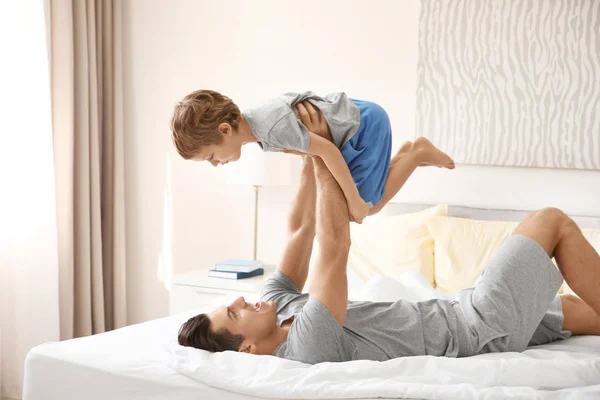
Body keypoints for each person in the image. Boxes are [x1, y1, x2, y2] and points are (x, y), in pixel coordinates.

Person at [177, 104, 600, 365]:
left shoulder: (276, 305)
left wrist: (308, 154)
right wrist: (324, 151)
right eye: (234, 314)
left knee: (584, 314)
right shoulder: (306, 346)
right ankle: (410, 157)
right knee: (551, 221)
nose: (238, 300)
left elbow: (303, 229)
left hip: (458, 308)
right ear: (247, 350)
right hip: (477, 330)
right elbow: (334, 245)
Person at [170, 89, 454, 223]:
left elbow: (327, 150)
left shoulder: (270, 126)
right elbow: (312, 146)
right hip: (355, 123)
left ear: (224, 130)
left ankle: (416, 154)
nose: (216, 164)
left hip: (362, 127)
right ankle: (407, 154)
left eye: (210, 157)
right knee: (359, 203)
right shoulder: (258, 131)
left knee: (367, 207)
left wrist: (354, 200)